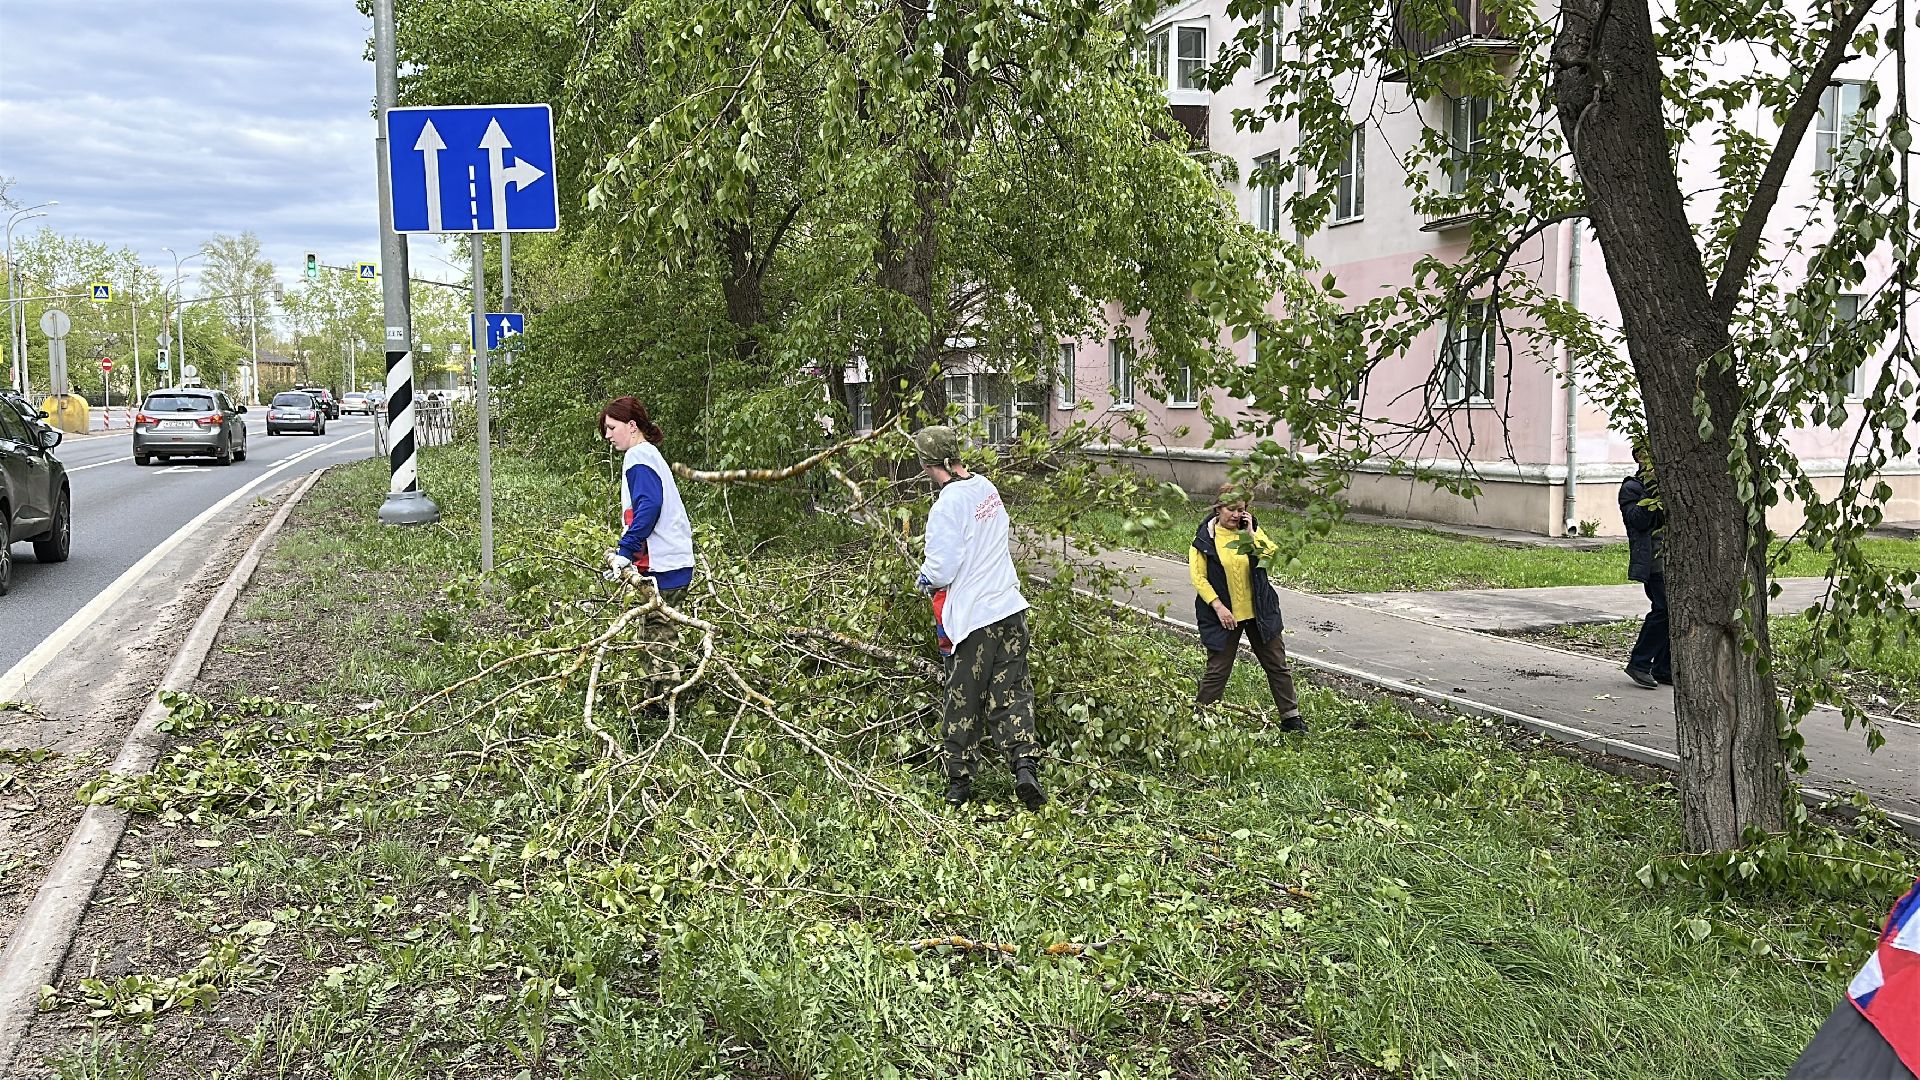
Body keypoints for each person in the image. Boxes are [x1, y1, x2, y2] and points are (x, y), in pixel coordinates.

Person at [913, 425, 1046, 810]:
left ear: (927, 464)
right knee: (1013, 692)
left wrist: (923, 579)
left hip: (975, 621)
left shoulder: (946, 505)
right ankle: (1024, 766)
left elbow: (941, 568)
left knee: (963, 698)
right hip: (1010, 609)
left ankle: (959, 783)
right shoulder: (987, 488)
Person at [1190, 486, 1307, 732]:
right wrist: (1219, 607)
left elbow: (1272, 556)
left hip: (1260, 612)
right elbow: (1199, 578)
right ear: (1218, 508)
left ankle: (1291, 719)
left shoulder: (1250, 533)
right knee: (1218, 670)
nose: (1235, 515)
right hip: (1224, 615)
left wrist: (1252, 535)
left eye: (1241, 510)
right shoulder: (1204, 538)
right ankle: (1201, 719)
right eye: (1231, 509)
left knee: (1277, 664)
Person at [600, 397, 696, 619]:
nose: (608, 436)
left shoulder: (638, 455)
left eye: (612, 428)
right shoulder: (649, 453)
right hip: (671, 564)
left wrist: (626, 550)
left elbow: (649, 507)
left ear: (632, 426)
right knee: (657, 640)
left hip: (664, 567)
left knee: (656, 647)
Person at [1619, 441, 1671, 689]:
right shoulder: (1632, 488)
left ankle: (1664, 667)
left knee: (1673, 613)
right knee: (1663, 609)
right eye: (1649, 455)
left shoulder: (1671, 484)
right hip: (1654, 560)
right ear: (1639, 458)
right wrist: (1652, 490)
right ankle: (1639, 663)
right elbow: (1637, 521)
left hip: (1674, 559)